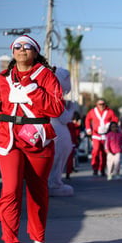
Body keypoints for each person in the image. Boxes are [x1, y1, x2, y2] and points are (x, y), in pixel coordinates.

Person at [0, 35, 64, 243]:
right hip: (8, 139)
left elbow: (57, 108)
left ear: (35, 52)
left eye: (27, 46)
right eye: (17, 46)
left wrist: (34, 90)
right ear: (13, 52)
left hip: (37, 141)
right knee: (10, 191)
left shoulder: (46, 76)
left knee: (36, 193)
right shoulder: (3, 78)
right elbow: (3, 104)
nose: (22, 50)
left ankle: (38, 242)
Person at [47, 68, 74, 197]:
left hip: (56, 132)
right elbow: (64, 118)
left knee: (57, 158)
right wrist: (72, 109)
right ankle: (54, 183)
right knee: (56, 158)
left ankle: (54, 182)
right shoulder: (54, 98)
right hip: (57, 132)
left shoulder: (54, 97)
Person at [85, 98, 119, 176]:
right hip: (96, 135)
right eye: (100, 104)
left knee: (104, 153)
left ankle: (102, 168)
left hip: (106, 135)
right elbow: (87, 120)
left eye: (103, 104)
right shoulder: (93, 112)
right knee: (95, 151)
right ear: (97, 105)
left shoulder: (109, 112)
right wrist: (88, 129)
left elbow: (115, 120)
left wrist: (111, 126)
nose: (101, 106)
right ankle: (95, 168)